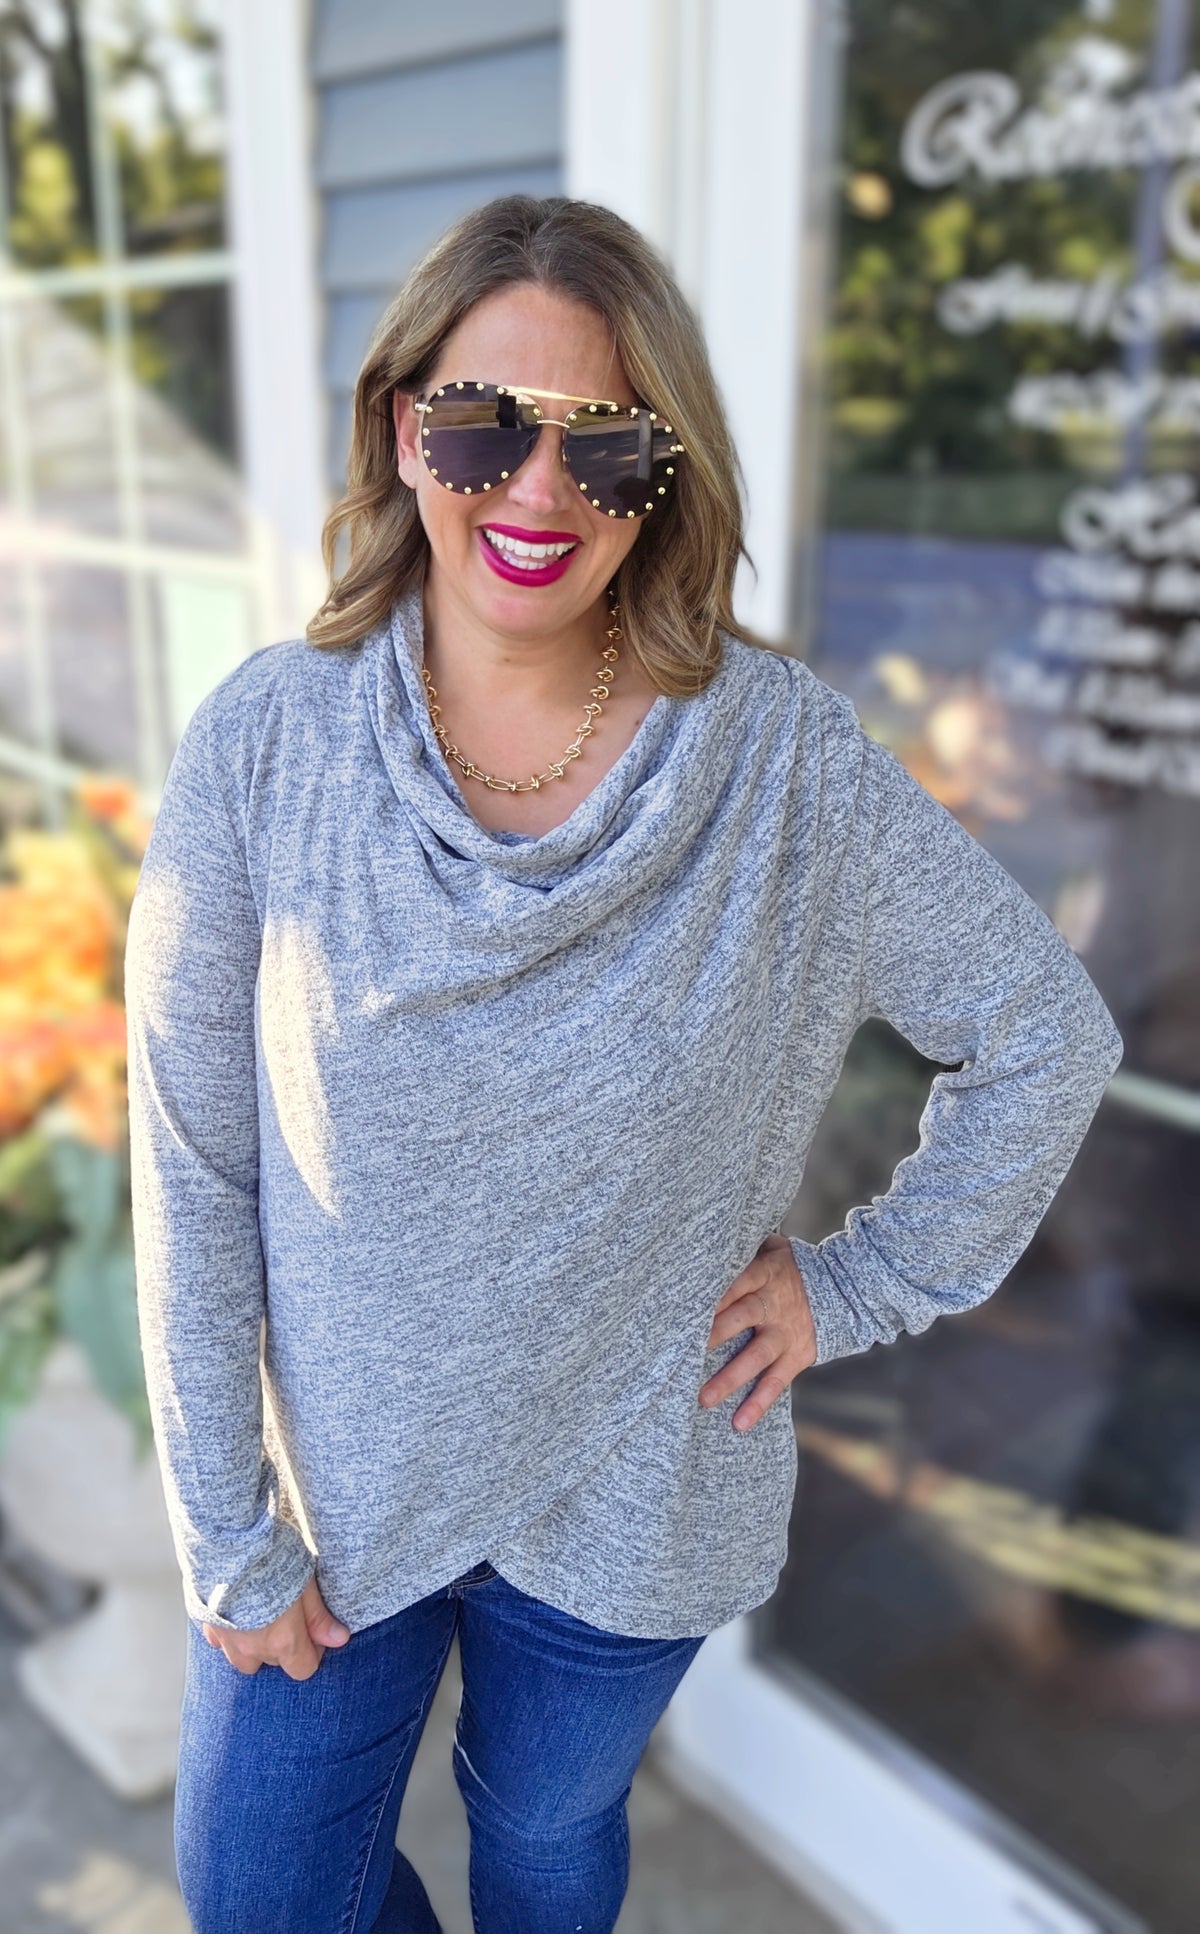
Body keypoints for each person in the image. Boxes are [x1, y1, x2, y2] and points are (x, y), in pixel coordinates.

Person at [123, 193, 1124, 1934]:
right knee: (261, 1891)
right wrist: (226, 1519)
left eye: (606, 442)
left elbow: (1045, 1030)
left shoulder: (783, 768)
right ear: (402, 427)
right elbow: (194, 1157)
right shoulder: (270, 743)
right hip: (336, 1483)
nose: (537, 489)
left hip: (637, 1483)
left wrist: (862, 1281)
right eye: (483, 423)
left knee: (542, 1841)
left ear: (664, 473)